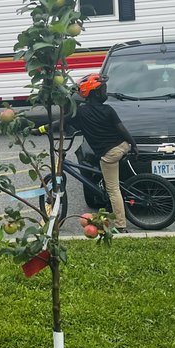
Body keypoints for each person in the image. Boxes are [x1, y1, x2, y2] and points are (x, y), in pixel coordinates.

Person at [67, 73, 138, 233]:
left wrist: (41, 129)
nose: (106, 93)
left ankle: (121, 226)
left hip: (110, 153)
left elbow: (61, 121)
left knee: (113, 190)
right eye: (103, 90)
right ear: (95, 93)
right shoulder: (108, 110)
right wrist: (133, 145)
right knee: (108, 175)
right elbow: (121, 129)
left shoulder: (81, 112)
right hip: (123, 146)